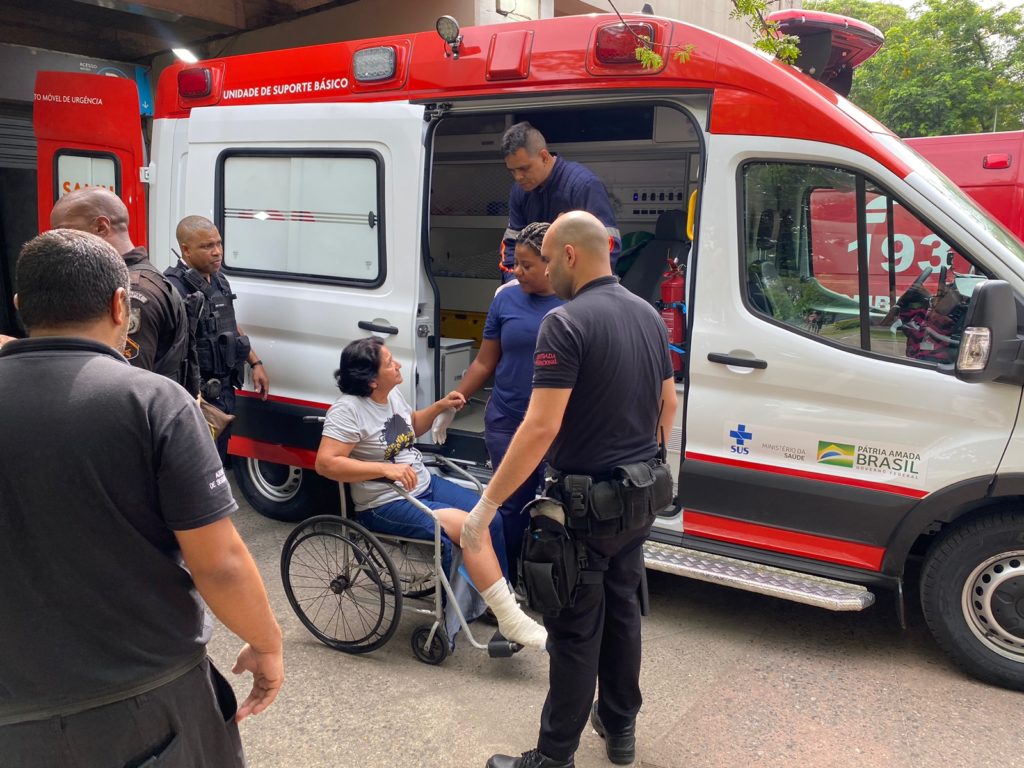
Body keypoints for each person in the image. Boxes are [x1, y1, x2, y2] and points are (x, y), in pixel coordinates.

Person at [0, 229, 283, 766]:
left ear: (21, 306)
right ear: (119, 305)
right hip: (147, 697)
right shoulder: (153, 401)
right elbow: (219, 563)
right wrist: (266, 643)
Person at [462, 211, 678, 768]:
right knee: (623, 615)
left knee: (576, 631)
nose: (544, 271)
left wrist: (486, 507)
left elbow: (540, 426)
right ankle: (620, 728)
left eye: (548, 259)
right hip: (637, 500)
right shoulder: (648, 315)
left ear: (571, 255)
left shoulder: (565, 322)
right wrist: (643, 462)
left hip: (582, 510)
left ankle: (554, 756)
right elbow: (667, 404)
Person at [314, 337, 548, 650]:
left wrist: (439, 407)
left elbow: (408, 427)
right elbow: (326, 463)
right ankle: (509, 618)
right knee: (471, 528)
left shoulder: (390, 394)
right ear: (371, 381)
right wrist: (384, 469)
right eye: (390, 363)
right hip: (385, 502)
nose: (398, 365)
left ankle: (496, 603)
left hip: (422, 484)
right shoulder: (348, 411)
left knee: (490, 517)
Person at [434, 222, 564, 574]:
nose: (516, 271)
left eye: (526, 265)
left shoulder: (576, 300)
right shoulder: (506, 298)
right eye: (514, 263)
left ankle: (547, 581)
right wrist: (454, 401)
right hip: (508, 418)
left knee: (555, 507)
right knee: (508, 505)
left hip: (557, 426)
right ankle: (504, 582)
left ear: (551, 263)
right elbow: (484, 361)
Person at [49, 188, 194, 391]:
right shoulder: (129, 279)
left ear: (101, 227)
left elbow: (126, 387)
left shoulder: (133, 292)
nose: (58, 241)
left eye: (64, 231)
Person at [166, 215, 269, 461]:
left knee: (218, 462)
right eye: (207, 246)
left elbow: (229, 324)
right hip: (195, 397)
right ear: (186, 250)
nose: (217, 252)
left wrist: (255, 363)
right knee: (196, 467)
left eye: (219, 243)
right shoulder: (173, 288)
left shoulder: (220, 281)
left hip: (223, 392)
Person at [499, 122, 621, 282]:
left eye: (524, 169)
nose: (518, 177)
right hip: (534, 285)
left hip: (577, 287)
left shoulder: (584, 186)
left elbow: (608, 245)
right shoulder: (519, 191)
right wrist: (514, 282)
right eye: (512, 171)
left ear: (544, 157)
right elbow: (511, 244)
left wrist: (578, 287)